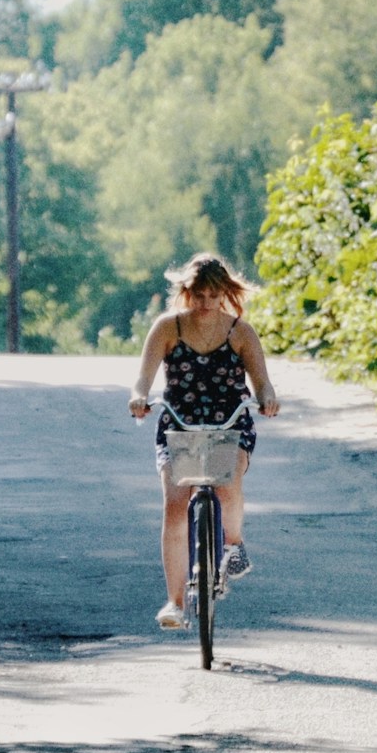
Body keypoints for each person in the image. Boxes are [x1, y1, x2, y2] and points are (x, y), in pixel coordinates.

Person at [128, 253, 280, 630]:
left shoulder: (240, 332)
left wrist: (267, 398)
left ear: (225, 294)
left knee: (227, 484)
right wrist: (139, 397)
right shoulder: (167, 328)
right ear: (186, 292)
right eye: (198, 294)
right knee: (175, 506)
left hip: (229, 424)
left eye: (214, 295)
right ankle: (175, 603)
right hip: (180, 424)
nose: (206, 303)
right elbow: (142, 379)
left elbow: (262, 381)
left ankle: (233, 545)